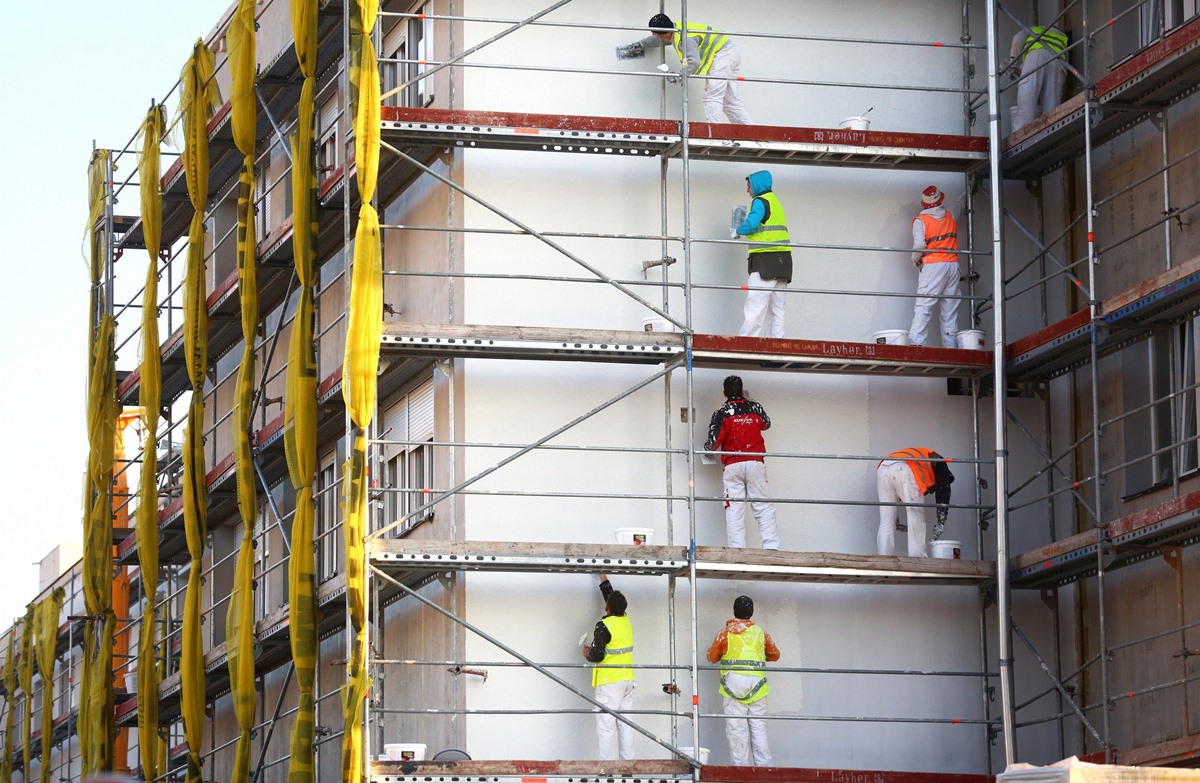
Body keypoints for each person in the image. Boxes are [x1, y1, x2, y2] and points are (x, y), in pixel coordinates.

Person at [619, 14, 752, 124]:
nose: (654, 35)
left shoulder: (684, 39)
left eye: (654, 33)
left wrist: (679, 77)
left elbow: (694, 62)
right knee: (730, 100)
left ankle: (714, 132)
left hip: (723, 55)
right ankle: (750, 131)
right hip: (729, 51)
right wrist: (640, 45)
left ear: (656, 32)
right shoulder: (676, 30)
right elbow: (658, 40)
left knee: (712, 96)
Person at [704, 376, 781, 549]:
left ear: (724, 392)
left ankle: (737, 549)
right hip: (755, 462)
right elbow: (766, 423)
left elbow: (713, 442)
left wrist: (706, 448)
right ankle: (771, 546)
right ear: (741, 389)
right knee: (762, 505)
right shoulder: (754, 407)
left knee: (734, 508)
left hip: (733, 466)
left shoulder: (721, 412)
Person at [706, 595, 780, 766]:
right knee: (759, 728)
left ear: (734, 611)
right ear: (751, 612)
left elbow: (711, 657)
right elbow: (775, 655)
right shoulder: (761, 633)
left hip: (733, 686)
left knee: (737, 729)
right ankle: (764, 769)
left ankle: (740, 770)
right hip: (758, 686)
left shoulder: (724, 634)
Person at [583, 572, 636, 760]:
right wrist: (603, 578)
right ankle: (627, 770)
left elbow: (596, 655)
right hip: (627, 680)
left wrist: (586, 651)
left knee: (606, 727)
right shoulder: (625, 619)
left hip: (609, 683)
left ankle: (607, 771)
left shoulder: (604, 625)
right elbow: (612, 600)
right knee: (625, 724)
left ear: (607, 607)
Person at [735, 170, 792, 338]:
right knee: (777, 308)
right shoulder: (775, 201)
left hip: (765, 261)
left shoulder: (760, 201)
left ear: (756, 185)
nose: (747, 190)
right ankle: (776, 348)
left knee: (756, 305)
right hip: (783, 262)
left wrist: (737, 230)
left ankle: (745, 345)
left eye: (748, 185)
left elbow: (752, 223)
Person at [876, 447, 954, 557]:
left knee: (886, 519)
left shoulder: (924, 455)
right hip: (906, 468)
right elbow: (943, 491)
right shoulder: (941, 464)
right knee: (915, 517)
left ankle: (883, 557)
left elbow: (897, 486)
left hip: (883, 467)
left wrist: (896, 517)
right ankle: (918, 559)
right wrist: (941, 519)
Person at [907, 186, 960, 348]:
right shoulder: (951, 214)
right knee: (950, 311)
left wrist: (915, 260)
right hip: (952, 265)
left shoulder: (921, 221)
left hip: (933, 266)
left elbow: (919, 245)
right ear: (940, 200)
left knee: (924, 305)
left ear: (924, 204)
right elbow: (961, 203)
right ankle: (952, 348)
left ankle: (916, 343)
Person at [1007, 25, 1068, 132]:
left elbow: (1018, 38)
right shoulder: (1063, 37)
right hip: (1059, 62)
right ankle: (1051, 131)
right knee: (1052, 107)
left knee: (1028, 94)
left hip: (1036, 56)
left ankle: (1022, 132)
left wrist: (1013, 62)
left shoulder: (1034, 29)